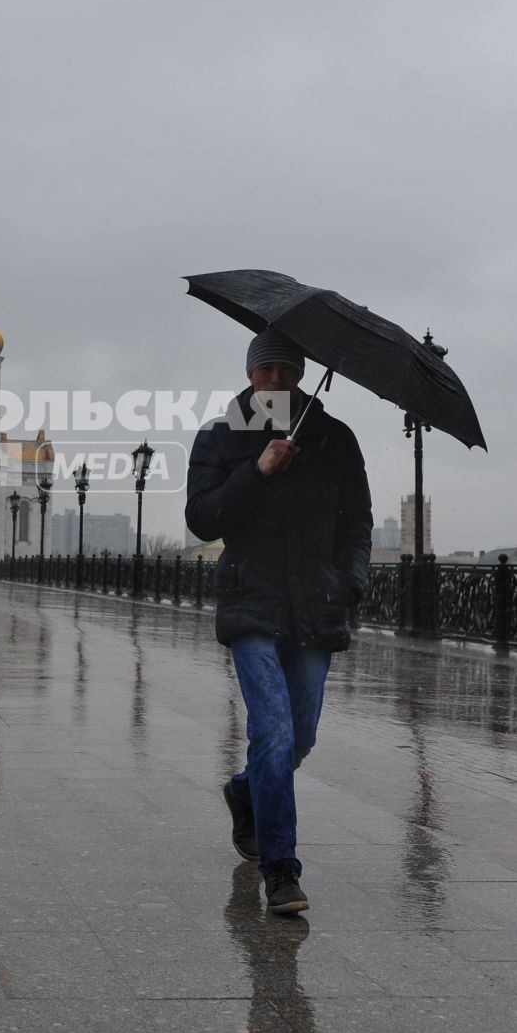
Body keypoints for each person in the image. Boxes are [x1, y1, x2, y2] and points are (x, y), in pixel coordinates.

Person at [184, 329, 371, 915]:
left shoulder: (336, 440)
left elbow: (357, 522)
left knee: (302, 735)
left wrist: (350, 582)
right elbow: (202, 519)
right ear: (250, 374)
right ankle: (281, 868)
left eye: (288, 370)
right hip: (252, 603)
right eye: (266, 370)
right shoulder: (219, 435)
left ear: (301, 375)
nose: (277, 381)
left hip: (316, 606)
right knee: (275, 731)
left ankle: (245, 791)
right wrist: (258, 471)